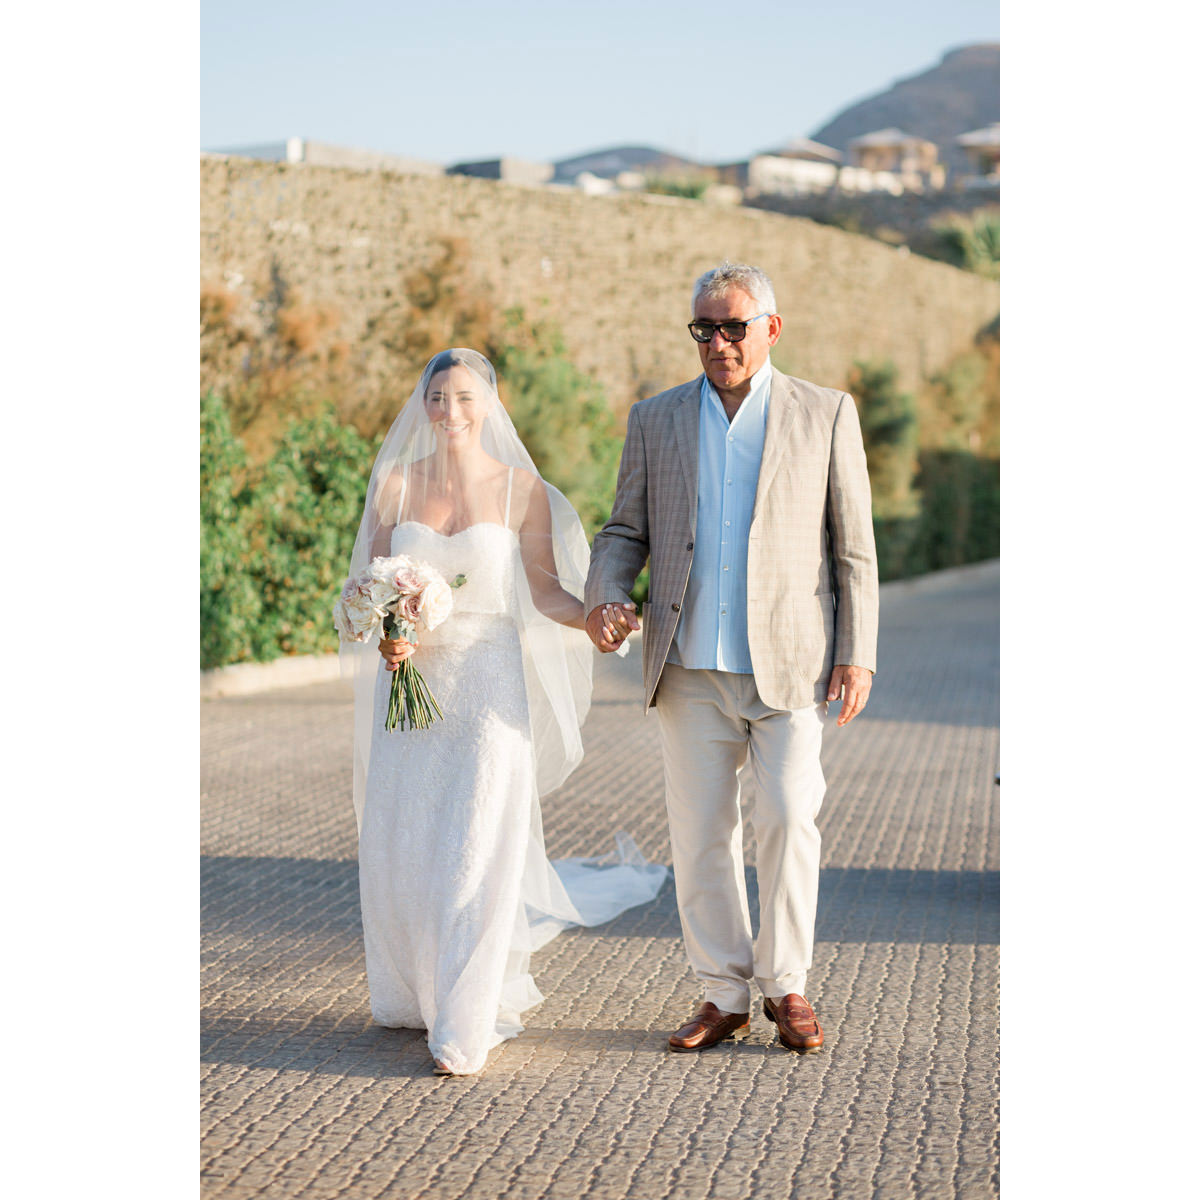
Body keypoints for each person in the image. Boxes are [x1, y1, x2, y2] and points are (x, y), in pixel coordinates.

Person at [341, 348, 666, 1077]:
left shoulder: (524, 491)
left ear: (489, 403)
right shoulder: (394, 485)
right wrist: (389, 636)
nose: (449, 412)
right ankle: (414, 987)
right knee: (412, 839)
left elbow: (546, 592)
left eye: (463, 397)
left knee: (477, 847)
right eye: (436, 397)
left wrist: (596, 618)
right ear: (421, 404)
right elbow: (369, 585)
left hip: (490, 686)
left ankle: (467, 1016)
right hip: (416, 688)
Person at [584, 263, 878, 1055]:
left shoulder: (826, 413)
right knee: (702, 833)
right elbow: (623, 532)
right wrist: (605, 593)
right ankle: (723, 993)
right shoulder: (657, 419)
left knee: (788, 815)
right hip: (687, 664)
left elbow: (853, 549)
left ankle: (786, 985)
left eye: (733, 327)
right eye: (704, 330)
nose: (718, 343)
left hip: (789, 664)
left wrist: (858, 651)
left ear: (770, 329)